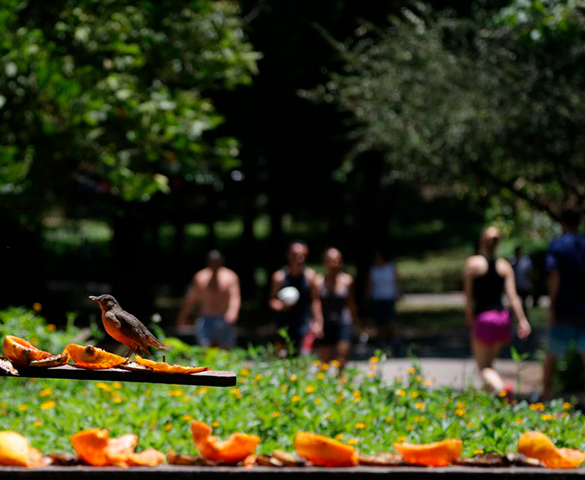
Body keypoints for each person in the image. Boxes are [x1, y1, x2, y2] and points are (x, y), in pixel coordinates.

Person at [463, 227, 531, 393]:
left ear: (482, 241)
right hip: (501, 319)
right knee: (490, 365)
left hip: (483, 318)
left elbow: (468, 297)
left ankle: (502, 389)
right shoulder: (504, 266)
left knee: (483, 368)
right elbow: (513, 296)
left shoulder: (472, 264)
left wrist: (469, 319)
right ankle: (492, 404)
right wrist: (522, 320)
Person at [542, 209, 585, 399]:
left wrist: (552, 306)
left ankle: (545, 394)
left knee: (552, 353)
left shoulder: (557, 246)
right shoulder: (583, 244)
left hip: (564, 307)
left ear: (562, 222)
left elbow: (554, 277)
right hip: (584, 308)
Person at [176, 250, 241, 348]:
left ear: (221, 262)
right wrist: (183, 316)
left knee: (225, 348)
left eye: (217, 262)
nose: (214, 264)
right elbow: (191, 299)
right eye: (212, 262)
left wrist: (233, 313)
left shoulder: (230, 277)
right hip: (205, 318)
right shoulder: (200, 277)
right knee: (205, 348)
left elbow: (235, 297)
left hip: (224, 318)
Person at [311, 248, 360, 368]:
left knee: (342, 358)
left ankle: (341, 384)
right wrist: (317, 321)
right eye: (330, 261)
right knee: (324, 362)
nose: (334, 264)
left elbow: (351, 303)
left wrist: (357, 323)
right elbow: (315, 302)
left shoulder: (347, 281)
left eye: (337, 261)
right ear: (325, 263)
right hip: (326, 324)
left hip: (343, 323)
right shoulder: (318, 282)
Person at [269, 241, 317, 353]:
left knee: (304, 357)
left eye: (303, 256)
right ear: (288, 256)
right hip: (284, 325)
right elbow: (272, 300)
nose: (300, 259)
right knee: (281, 358)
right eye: (296, 255)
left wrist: (317, 321)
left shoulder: (310, 276)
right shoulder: (279, 277)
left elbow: (315, 300)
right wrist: (280, 306)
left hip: (304, 324)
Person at [367, 251, 400, 349]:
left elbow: (396, 281)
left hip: (389, 297)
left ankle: (395, 339)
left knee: (390, 320)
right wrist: (367, 297)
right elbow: (369, 285)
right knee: (380, 321)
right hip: (377, 298)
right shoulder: (373, 270)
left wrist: (399, 293)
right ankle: (381, 341)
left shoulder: (391, 268)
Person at [510, 246, 533, 313]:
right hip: (515, 285)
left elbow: (530, 273)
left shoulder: (526, 261)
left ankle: (524, 316)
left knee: (524, 303)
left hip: (524, 285)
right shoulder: (512, 261)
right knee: (515, 302)